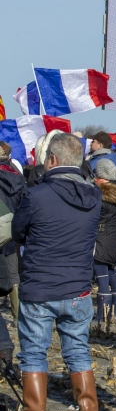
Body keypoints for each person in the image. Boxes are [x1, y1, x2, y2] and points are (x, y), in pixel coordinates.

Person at [12, 133, 102, 411]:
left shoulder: (36, 195)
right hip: (77, 288)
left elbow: (18, 232)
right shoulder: (94, 197)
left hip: (40, 287)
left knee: (34, 354)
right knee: (78, 353)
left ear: (52, 160)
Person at [93, 159, 116, 321]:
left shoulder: (99, 195)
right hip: (115, 241)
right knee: (113, 276)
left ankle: (102, 315)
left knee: (102, 279)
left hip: (100, 241)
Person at [0, 141, 26, 328]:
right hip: (11, 228)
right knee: (12, 271)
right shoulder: (18, 176)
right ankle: (17, 316)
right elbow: (24, 204)